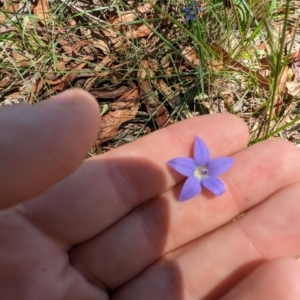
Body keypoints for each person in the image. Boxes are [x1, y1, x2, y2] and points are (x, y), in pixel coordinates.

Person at [1, 89, 300, 300]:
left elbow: (214, 178)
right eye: (198, 170)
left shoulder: (210, 172)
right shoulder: (192, 167)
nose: (201, 172)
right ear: (195, 166)